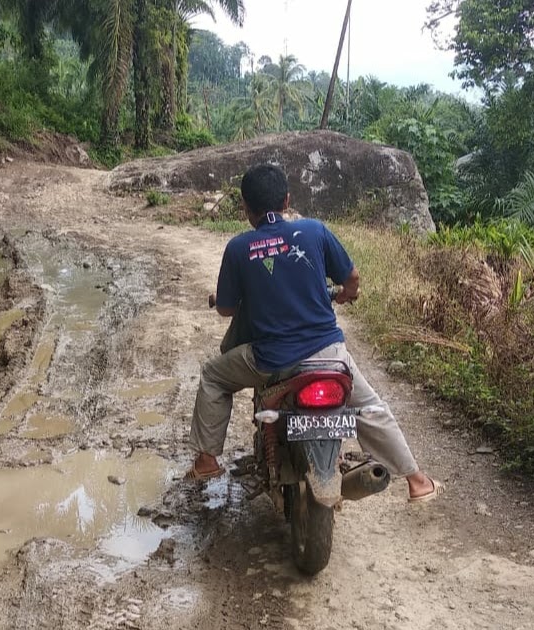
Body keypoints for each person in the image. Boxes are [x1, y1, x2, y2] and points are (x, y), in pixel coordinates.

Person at [186, 163, 443, 503]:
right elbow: (351, 279)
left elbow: (227, 309)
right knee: (370, 408)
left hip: (269, 361)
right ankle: (417, 480)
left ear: (245, 208)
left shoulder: (238, 247)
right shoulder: (315, 231)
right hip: (328, 355)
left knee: (213, 377)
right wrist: (347, 295)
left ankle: (206, 460)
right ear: (287, 199)